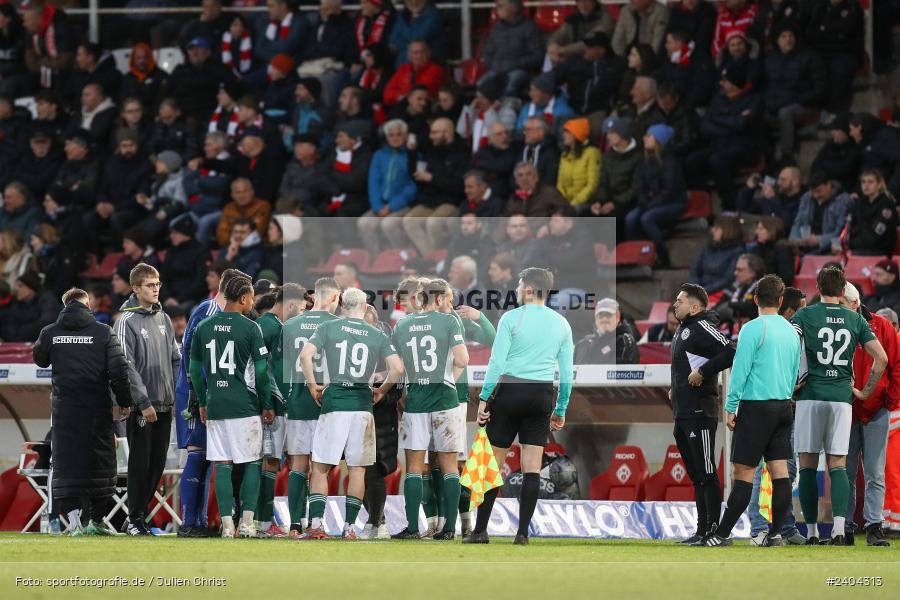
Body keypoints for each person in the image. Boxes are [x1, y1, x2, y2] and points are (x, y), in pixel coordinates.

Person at [464, 268, 574, 545]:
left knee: (494, 463)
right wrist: (560, 409)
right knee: (532, 467)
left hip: (510, 390)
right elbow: (567, 373)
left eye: (519, 284)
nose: (516, 289)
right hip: (541, 394)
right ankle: (523, 534)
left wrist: (485, 398)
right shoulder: (562, 323)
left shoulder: (511, 318)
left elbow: (497, 363)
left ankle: (480, 531)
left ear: (527, 289)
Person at [298, 287, 404, 540]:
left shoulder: (328, 328)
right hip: (362, 406)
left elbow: (305, 355)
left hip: (334, 403)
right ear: (366, 307)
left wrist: (313, 385)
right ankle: (350, 529)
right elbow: (397, 368)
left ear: (343, 305)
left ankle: (316, 526)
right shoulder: (376, 334)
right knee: (358, 469)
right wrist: (380, 390)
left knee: (321, 467)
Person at [704, 275, 801, 547]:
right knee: (780, 472)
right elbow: (795, 373)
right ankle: (776, 534)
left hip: (756, 408)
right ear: (781, 301)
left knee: (743, 474)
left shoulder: (751, 329)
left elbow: (740, 371)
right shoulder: (792, 331)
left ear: (756, 299)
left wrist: (731, 406)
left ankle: (721, 535)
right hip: (784, 406)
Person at [792, 267, 887, 545]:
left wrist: (792, 382)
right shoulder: (855, 319)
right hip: (841, 398)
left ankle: (810, 532)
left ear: (818, 286)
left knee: (808, 462)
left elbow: (788, 345)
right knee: (838, 463)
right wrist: (863, 391)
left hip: (810, 396)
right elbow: (880, 359)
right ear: (843, 288)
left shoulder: (804, 315)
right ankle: (837, 531)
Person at [33, 288, 132, 536]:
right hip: (97, 410)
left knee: (69, 466)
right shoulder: (103, 332)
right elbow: (119, 371)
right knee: (100, 464)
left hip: (65, 412)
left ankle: (75, 523)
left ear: (65, 304)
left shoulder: (51, 332)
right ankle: (96, 522)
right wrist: (125, 401)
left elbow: (39, 359)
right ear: (88, 304)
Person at [191, 270, 274, 539]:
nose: (252, 303)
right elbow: (261, 372)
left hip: (216, 404)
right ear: (243, 297)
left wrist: (203, 401)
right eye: (250, 298)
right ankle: (247, 523)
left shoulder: (203, 327)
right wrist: (267, 403)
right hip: (244, 405)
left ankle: (227, 526)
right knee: (251, 462)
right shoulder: (251, 328)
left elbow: (194, 370)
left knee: (222, 465)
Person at [391, 279, 469, 540]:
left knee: (413, 467)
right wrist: (449, 377)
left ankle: (413, 527)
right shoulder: (448, 321)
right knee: (448, 466)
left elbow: (398, 367)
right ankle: (448, 529)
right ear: (436, 299)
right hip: (445, 400)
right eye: (446, 298)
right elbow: (462, 359)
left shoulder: (402, 325)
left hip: (416, 402)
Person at [174, 268, 244, 538]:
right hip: (196, 396)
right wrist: (197, 394)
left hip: (209, 394)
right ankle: (189, 522)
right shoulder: (206, 311)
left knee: (207, 457)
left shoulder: (220, 314)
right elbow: (193, 356)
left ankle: (199, 521)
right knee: (198, 453)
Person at [114, 263, 180, 537]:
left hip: (165, 403)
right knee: (140, 463)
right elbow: (125, 365)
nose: (156, 290)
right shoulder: (126, 322)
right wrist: (143, 402)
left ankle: (136, 516)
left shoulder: (163, 319)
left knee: (157, 464)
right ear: (135, 288)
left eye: (158, 284)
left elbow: (176, 359)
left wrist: (174, 394)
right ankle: (134, 518)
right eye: (150, 285)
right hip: (144, 407)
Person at [669, 283, 735, 545]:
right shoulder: (683, 329)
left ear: (694, 307)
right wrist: (675, 388)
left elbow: (730, 350)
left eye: (680, 301)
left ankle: (714, 531)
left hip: (700, 411)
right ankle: (700, 530)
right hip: (683, 412)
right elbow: (685, 363)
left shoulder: (702, 326)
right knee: (696, 474)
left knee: (707, 471)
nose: (675, 304)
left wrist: (704, 372)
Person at [745, 286, 807, 544]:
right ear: (789, 309)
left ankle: (785, 526)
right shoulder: (765, 331)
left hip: (786, 409)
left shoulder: (792, 333)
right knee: (759, 470)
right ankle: (758, 527)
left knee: (786, 470)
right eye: (801, 309)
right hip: (763, 407)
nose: (805, 314)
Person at [281, 277, 341, 537]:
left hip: (296, 403)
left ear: (314, 296)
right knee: (319, 467)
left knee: (297, 465)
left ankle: (294, 525)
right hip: (326, 404)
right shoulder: (338, 326)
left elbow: (280, 369)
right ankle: (315, 523)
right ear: (334, 298)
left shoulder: (290, 325)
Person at [841, 282, 898, 547]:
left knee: (875, 472)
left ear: (854, 303)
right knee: (847, 473)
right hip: (847, 410)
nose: (837, 309)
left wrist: (889, 402)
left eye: (841, 304)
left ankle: (875, 526)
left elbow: (895, 366)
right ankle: (848, 527)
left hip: (874, 409)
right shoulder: (839, 326)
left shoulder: (883, 327)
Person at [254, 283, 305, 537]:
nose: (302, 312)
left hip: (278, 406)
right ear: (292, 304)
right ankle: (263, 523)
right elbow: (259, 369)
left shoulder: (273, 325)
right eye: (302, 307)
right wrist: (268, 403)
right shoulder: (270, 326)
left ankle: (262, 522)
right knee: (269, 462)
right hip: (272, 408)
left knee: (271, 461)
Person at [626, 124, 685, 267]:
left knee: (647, 218)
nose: (644, 138)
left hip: (673, 203)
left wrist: (649, 205)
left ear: (659, 140)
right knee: (630, 218)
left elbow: (669, 191)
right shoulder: (645, 160)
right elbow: (640, 185)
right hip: (650, 202)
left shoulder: (670, 161)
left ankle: (663, 257)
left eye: (649, 136)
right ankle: (637, 256)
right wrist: (643, 201)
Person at [358, 119, 417, 258]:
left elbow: (412, 186)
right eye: (391, 135)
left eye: (398, 134)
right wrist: (378, 207)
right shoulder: (379, 155)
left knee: (388, 225)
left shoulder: (411, 156)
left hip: (402, 205)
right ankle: (377, 259)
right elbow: (373, 181)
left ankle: (402, 258)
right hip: (380, 205)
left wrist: (391, 207)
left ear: (405, 136)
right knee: (364, 223)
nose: (395, 138)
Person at [480, 0, 545, 99]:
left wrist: (515, 64)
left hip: (520, 70)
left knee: (509, 86)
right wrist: (494, 65)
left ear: (514, 8)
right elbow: (487, 53)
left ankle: (508, 112)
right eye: (497, 5)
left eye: (501, 5)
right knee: (480, 86)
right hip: (496, 70)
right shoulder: (496, 28)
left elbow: (538, 56)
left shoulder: (530, 27)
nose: (497, 8)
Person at [788, 172, 850, 255]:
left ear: (828, 185)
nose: (816, 195)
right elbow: (798, 223)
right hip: (805, 243)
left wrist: (819, 240)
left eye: (818, 191)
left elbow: (840, 232)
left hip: (827, 247)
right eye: (812, 192)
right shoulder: (807, 197)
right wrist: (794, 241)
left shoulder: (842, 201)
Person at [737, 166, 805, 232]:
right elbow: (745, 208)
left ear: (795, 181)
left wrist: (772, 199)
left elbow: (788, 222)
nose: (778, 182)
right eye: (779, 179)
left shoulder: (804, 201)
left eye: (783, 179)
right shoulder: (776, 198)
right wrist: (748, 189)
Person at [847, 169, 898, 257]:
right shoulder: (859, 203)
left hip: (880, 251)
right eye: (863, 182)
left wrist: (856, 241)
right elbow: (852, 230)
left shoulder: (887, 204)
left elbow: (876, 237)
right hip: (858, 249)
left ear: (879, 185)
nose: (866, 185)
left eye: (870, 182)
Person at [574, 298, 639, 365]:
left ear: (618, 317)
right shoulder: (584, 343)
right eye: (600, 315)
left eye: (608, 315)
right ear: (596, 318)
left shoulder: (625, 341)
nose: (604, 319)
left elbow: (623, 370)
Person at [556, 118, 600, 210]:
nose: (564, 134)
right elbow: (560, 184)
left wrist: (575, 202)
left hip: (585, 203)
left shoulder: (592, 153)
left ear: (577, 135)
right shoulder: (564, 155)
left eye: (568, 132)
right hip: (566, 202)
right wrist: (563, 201)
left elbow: (592, 185)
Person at [748, 216, 795, 286]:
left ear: (772, 230)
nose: (756, 232)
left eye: (761, 229)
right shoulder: (756, 249)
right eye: (757, 228)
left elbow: (785, 279)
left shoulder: (782, 250)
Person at [517, 117, 561, 188]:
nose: (524, 133)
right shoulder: (524, 149)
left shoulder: (551, 151)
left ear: (541, 132)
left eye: (528, 129)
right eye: (524, 130)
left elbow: (550, 179)